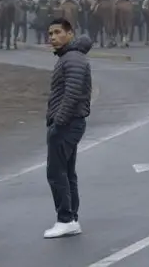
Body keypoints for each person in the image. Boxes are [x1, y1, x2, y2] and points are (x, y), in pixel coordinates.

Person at [44, 18, 93, 239]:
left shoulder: (71, 58)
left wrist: (58, 122)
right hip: (71, 122)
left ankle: (65, 218)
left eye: (57, 32)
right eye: (50, 33)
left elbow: (72, 93)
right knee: (67, 172)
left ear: (70, 34)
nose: (53, 37)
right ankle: (71, 217)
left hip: (67, 123)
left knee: (56, 172)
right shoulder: (70, 57)